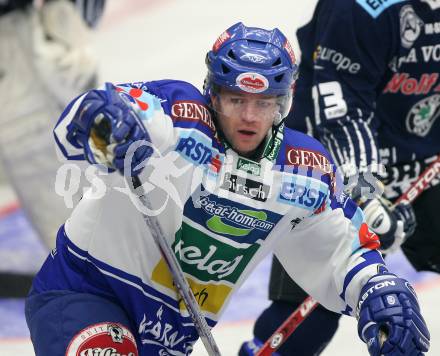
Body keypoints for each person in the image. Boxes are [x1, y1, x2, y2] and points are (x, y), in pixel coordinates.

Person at [24, 22, 430, 356]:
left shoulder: (302, 171)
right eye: (236, 99)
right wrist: (103, 119)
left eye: (264, 102)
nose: (250, 116)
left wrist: (376, 288)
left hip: (169, 335)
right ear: (213, 94)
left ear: (284, 102)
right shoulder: (180, 115)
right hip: (85, 290)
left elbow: (340, 252)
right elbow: (108, 113)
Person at [242, 0, 440, 355]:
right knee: (306, 320)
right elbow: (341, 105)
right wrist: (366, 195)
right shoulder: (359, 7)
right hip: (327, 166)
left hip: (423, 155)